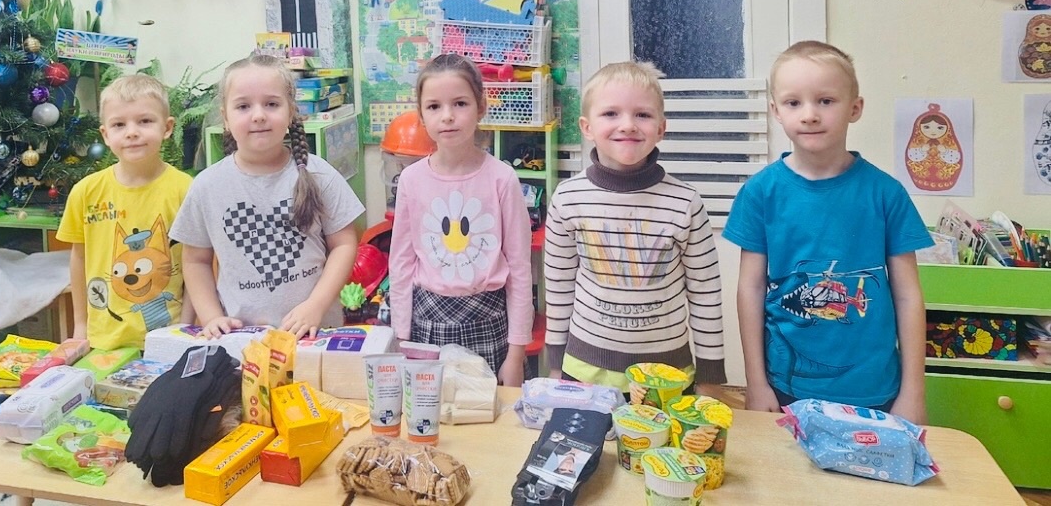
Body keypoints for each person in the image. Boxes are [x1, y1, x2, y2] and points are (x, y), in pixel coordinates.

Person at [723, 40, 932, 423]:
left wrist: (914, 392)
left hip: (875, 388)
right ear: (775, 111)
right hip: (785, 386)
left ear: (855, 108)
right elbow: (749, 290)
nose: (809, 115)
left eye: (825, 101)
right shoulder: (759, 193)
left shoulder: (886, 194)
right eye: (793, 102)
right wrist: (755, 382)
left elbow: (908, 296)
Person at [544, 61, 726, 394]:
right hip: (584, 372)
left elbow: (706, 294)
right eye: (610, 113)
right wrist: (556, 363)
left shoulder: (686, 202)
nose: (627, 125)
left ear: (661, 128)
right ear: (587, 127)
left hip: (666, 377)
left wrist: (710, 377)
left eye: (642, 114)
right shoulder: (567, 198)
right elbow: (558, 287)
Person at [171, 53, 362, 339]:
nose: (258, 115)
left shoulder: (319, 174)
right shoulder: (207, 186)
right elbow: (195, 260)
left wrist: (316, 305)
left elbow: (344, 244)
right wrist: (211, 317)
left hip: (314, 334)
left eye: (271, 104)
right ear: (225, 117)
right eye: (243, 106)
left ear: (291, 111)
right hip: (241, 339)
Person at [388, 53, 533, 386]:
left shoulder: (502, 179)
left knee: (490, 414)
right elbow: (401, 264)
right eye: (434, 106)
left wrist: (516, 354)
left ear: (481, 107)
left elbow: (520, 268)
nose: (447, 116)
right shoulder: (411, 180)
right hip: (427, 324)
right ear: (421, 115)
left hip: (490, 322)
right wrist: (401, 338)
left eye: (460, 103)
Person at [56, 74, 193, 350]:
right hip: (103, 340)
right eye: (119, 124)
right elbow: (79, 258)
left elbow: (197, 263)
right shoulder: (85, 192)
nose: (132, 132)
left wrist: (187, 327)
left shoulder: (187, 190)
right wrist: (80, 325)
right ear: (105, 134)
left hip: (170, 338)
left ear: (167, 128)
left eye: (145, 121)